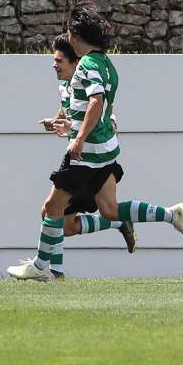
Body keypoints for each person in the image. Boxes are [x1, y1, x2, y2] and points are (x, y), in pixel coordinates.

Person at [8, 2, 183, 282]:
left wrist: (79, 138)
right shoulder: (107, 63)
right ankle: (172, 214)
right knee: (108, 210)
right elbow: (97, 105)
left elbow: (97, 101)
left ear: (77, 35)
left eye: (70, 33)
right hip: (106, 152)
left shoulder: (87, 64)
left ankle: (43, 268)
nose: (68, 38)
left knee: (51, 209)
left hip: (89, 153)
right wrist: (70, 124)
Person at [38, 34, 136, 280]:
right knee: (69, 226)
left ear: (75, 63)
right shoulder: (64, 87)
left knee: (50, 211)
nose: (54, 65)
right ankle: (118, 224)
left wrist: (82, 136)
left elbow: (102, 112)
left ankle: (52, 273)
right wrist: (56, 123)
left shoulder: (89, 77)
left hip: (89, 161)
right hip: (81, 157)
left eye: (59, 60)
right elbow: (69, 114)